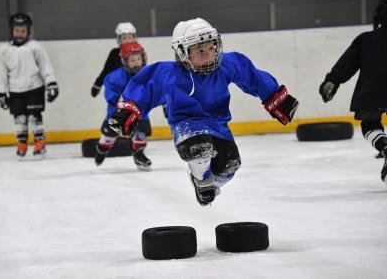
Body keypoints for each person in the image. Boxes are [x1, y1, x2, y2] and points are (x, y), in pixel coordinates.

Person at [105, 18, 299, 206]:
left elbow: (253, 76)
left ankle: (207, 187)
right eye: (199, 50)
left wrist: (275, 97)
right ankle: (203, 179)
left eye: (211, 47)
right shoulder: (170, 74)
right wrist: (127, 111)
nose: (207, 53)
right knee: (198, 148)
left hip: (218, 125)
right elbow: (145, 87)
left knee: (230, 165)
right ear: (183, 52)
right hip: (186, 124)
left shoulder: (227, 64)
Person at [319, 0, 387, 183]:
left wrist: (331, 82)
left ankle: (385, 147)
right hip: (371, 91)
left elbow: (345, 66)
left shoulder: (366, 40)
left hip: (371, 92)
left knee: (370, 125)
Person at [0, 13, 59, 159]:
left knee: (34, 117)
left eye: (23, 31)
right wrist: (1, 91)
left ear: (28, 31)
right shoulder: (3, 50)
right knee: (19, 119)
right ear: (11, 31)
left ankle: (39, 143)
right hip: (16, 90)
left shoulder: (35, 47)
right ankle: (22, 143)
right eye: (17, 30)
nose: (20, 33)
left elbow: (45, 66)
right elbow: (1, 73)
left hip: (34, 88)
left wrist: (51, 83)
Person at [95, 41, 152, 170]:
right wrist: (120, 100)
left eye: (139, 58)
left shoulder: (148, 75)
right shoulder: (114, 77)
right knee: (109, 136)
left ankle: (139, 155)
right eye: (133, 60)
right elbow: (110, 95)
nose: (137, 62)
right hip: (116, 113)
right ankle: (102, 150)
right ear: (125, 61)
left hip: (140, 114)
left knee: (140, 133)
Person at [91, 22, 137, 97]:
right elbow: (106, 70)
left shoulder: (138, 53)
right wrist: (97, 84)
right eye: (124, 38)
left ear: (134, 38)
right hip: (116, 91)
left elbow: (143, 72)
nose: (127, 40)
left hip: (132, 90)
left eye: (129, 37)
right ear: (119, 40)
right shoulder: (114, 53)